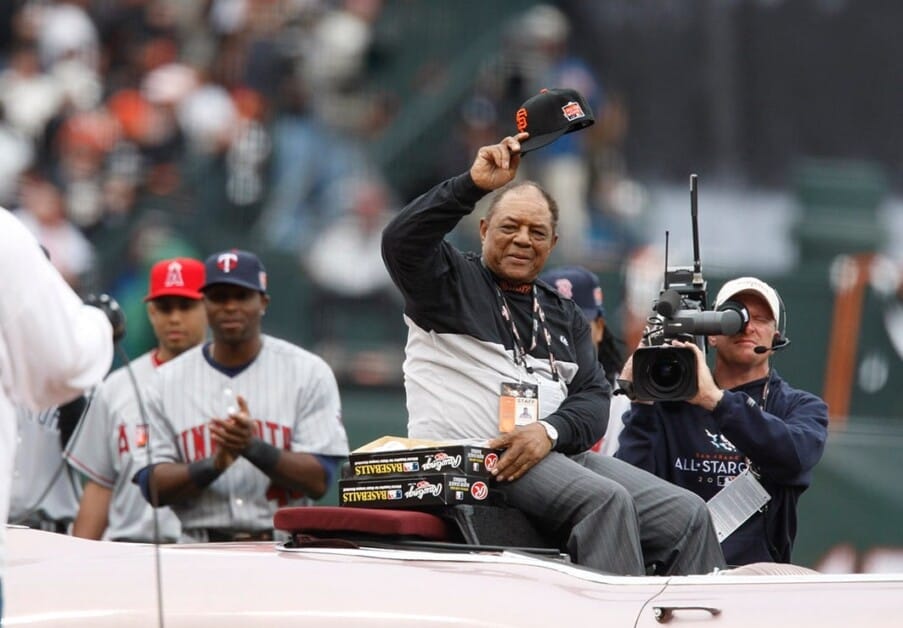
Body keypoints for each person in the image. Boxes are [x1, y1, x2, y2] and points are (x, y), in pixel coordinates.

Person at [381, 133, 725, 576]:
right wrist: (472, 185)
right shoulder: (448, 282)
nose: (523, 239)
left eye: (536, 232)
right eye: (510, 226)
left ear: (553, 243)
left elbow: (593, 399)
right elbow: (400, 240)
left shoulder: (562, 312)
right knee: (606, 501)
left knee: (689, 514)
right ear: (484, 229)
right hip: (474, 457)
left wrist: (548, 431)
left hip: (549, 452)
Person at [134, 249, 350, 542]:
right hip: (198, 549)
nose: (231, 306)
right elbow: (153, 486)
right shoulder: (163, 382)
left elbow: (319, 479)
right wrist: (215, 463)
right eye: (220, 297)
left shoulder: (308, 372)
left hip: (282, 548)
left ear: (263, 302)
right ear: (205, 303)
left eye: (242, 296)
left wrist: (253, 447)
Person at [615, 277, 829, 566]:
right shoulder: (670, 402)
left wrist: (715, 401)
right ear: (711, 334)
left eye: (761, 319)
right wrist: (641, 402)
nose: (746, 326)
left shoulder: (800, 406)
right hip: (675, 574)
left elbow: (795, 457)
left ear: (775, 337)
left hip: (752, 577)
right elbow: (630, 489)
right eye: (732, 316)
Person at [0, 207, 114, 620]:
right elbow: (65, 361)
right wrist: (99, 326)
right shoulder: (7, 240)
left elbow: (90, 462)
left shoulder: (94, 384)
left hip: (51, 536)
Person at [65, 257, 208, 542]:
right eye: (165, 308)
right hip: (126, 550)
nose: (175, 317)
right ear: (152, 312)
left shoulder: (229, 386)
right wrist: (78, 557)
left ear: (207, 308)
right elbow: (100, 485)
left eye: (186, 306)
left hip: (201, 550)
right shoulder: (116, 387)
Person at [539, 265, 628, 455]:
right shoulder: (523, 388)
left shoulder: (626, 401)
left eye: (580, 325)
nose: (568, 338)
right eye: (554, 326)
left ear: (600, 328)